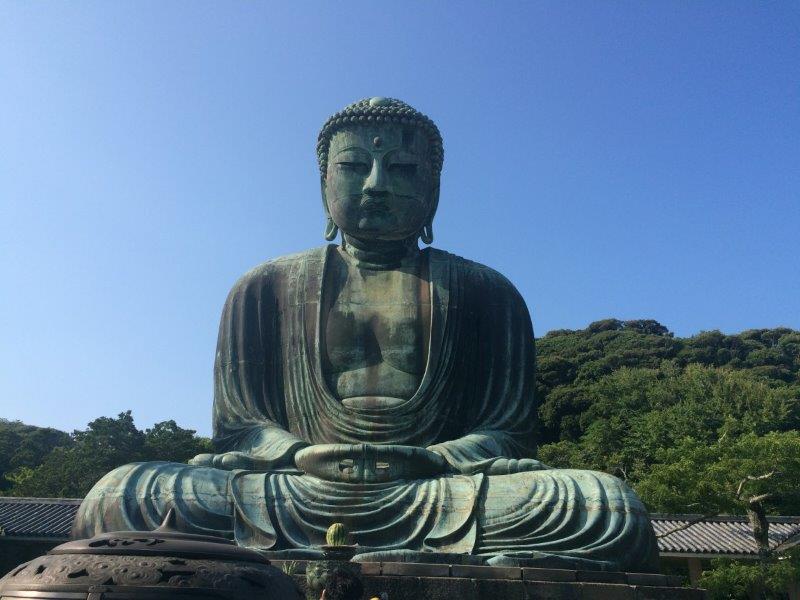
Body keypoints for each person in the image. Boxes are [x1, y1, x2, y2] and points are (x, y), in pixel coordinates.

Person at [72, 97, 660, 573]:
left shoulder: (486, 292)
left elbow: (505, 434)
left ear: (434, 189)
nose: (376, 184)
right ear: (323, 182)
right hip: (292, 488)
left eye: (402, 170)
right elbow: (242, 426)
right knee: (123, 495)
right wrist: (296, 453)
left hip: (437, 491)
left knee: (604, 507)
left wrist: (433, 459)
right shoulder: (264, 288)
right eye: (355, 167)